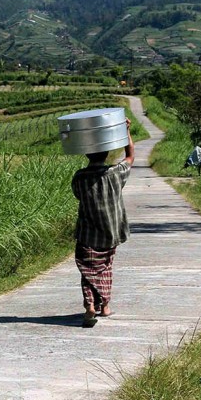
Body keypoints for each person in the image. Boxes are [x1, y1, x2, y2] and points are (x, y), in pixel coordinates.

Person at [70, 119, 134, 327]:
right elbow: (130, 156)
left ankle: (90, 305)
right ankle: (105, 307)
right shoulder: (115, 173)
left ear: (86, 153)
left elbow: (78, 196)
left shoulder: (79, 177)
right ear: (106, 154)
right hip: (111, 233)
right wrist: (125, 131)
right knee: (105, 268)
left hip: (88, 235)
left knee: (88, 271)